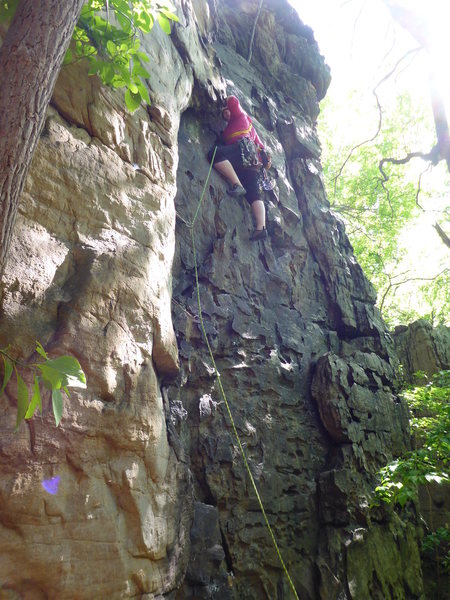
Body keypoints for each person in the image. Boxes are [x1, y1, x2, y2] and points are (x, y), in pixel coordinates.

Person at [208, 95, 271, 242]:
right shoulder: (242, 126)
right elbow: (260, 146)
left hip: (244, 151)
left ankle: (237, 184)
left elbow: (233, 100)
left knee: (214, 154)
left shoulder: (239, 115)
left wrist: (225, 99)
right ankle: (261, 228)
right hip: (252, 162)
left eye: (227, 111)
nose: (226, 114)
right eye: (224, 114)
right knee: (253, 193)